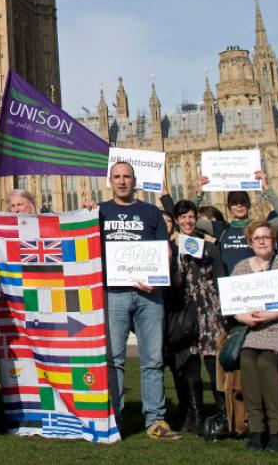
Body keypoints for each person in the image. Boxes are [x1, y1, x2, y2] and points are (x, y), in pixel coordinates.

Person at [100, 161, 177, 440]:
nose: (122, 181)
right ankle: (114, 419)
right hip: (114, 293)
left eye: (127, 177)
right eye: (117, 177)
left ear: (135, 181)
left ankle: (155, 419)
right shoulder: (98, 212)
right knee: (114, 359)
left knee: (153, 359)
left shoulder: (151, 212)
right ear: (110, 181)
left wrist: (157, 277)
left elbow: (165, 251)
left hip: (149, 293)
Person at [231, 220, 278, 452]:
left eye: (266, 237)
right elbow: (231, 305)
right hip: (253, 330)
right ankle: (256, 429)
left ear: (274, 240)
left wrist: (271, 314)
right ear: (250, 242)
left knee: (267, 363)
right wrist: (244, 318)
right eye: (257, 238)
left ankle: (276, 428)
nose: (261, 241)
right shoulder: (241, 267)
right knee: (248, 360)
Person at [167, 200, 223, 435]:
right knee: (190, 366)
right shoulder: (172, 247)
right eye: (182, 217)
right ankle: (196, 415)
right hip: (185, 310)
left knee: (213, 364)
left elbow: (219, 277)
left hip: (209, 310)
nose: (187, 221)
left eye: (191, 216)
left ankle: (222, 413)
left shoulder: (209, 246)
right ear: (177, 221)